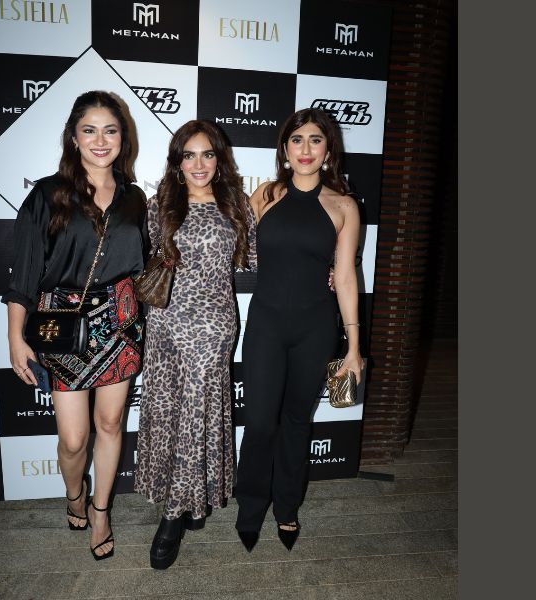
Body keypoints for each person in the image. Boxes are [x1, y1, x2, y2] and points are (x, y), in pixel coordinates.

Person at [1, 91, 148, 561]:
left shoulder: (134, 198)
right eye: (89, 130)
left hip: (119, 322)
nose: (100, 140)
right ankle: (74, 493)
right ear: (74, 137)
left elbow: (144, 265)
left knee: (111, 423)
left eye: (110, 130)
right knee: (73, 439)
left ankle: (100, 511)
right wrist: (15, 337)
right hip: (63, 325)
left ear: (123, 137)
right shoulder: (48, 194)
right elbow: (25, 274)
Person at [234, 108, 365, 552]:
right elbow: (236, 249)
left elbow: (345, 277)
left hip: (316, 329)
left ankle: (287, 507)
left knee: (296, 421)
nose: (305, 149)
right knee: (259, 423)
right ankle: (251, 507)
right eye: (296, 140)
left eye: (315, 140)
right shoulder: (265, 195)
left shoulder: (344, 206)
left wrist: (353, 346)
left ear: (328, 150)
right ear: (285, 149)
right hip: (266, 325)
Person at [134, 120, 257, 569]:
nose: (199, 164)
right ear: (177, 162)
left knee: (195, 414)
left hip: (213, 325)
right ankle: (192, 498)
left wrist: (326, 267)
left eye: (208, 154)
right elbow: (141, 256)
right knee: (171, 411)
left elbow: (259, 256)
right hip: (165, 322)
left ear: (219, 160)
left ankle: (171, 519)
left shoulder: (236, 204)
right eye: (189, 155)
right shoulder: (160, 204)